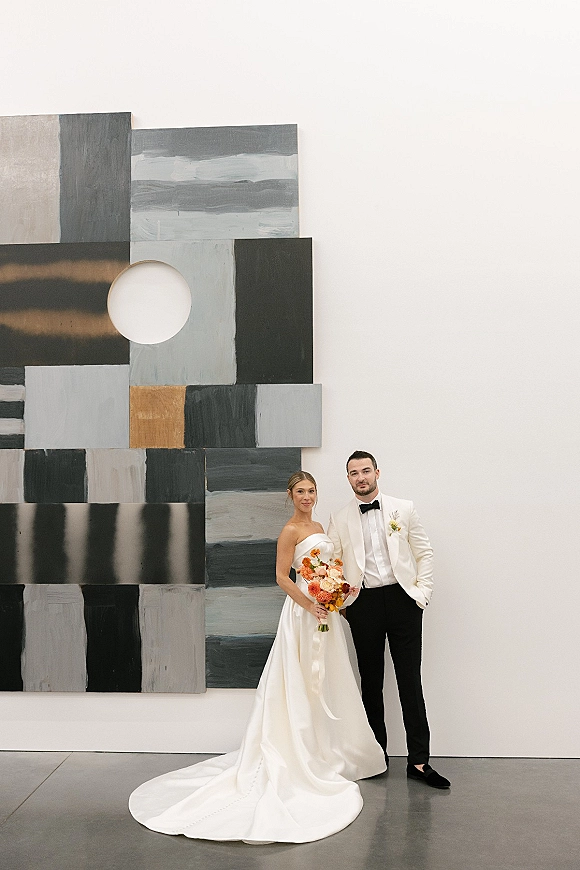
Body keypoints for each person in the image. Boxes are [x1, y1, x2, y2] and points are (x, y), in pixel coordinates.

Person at [129, 471, 386, 844]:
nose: (307, 496)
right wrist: (310, 604)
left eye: (312, 491)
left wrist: (336, 595)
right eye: (301, 491)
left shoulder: (319, 526)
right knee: (300, 676)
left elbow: (327, 569)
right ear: (290, 495)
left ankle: (331, 749)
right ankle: (299, 749)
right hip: (303, 612)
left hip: (324, 612)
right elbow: (282, 576)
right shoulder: (290, 531)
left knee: (329, 676)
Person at [327, 451, 450, 789]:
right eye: (354, 473)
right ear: (348, 479)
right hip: (363, 604)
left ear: (377, 473)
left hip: (402, 601)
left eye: (366, 471)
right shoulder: (339, 518)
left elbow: (424, 552)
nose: (361, 477)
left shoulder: (403, 508)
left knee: (410, 681)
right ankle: (375, 757)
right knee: (371, 683)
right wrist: (344, 604)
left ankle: (419, 762)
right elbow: (333, 563)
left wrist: (420, 595)